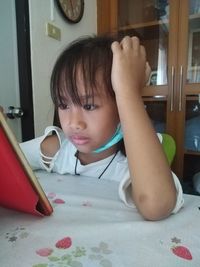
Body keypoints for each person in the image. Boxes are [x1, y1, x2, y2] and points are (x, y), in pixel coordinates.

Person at [20, 35, 184, 221]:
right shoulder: (57, 150)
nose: (74, 123)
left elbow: (156, 205)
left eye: (89, 106)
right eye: (63, 105)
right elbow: (9, 160)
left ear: (122, 106)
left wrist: (129, 90)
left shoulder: (132, 165)